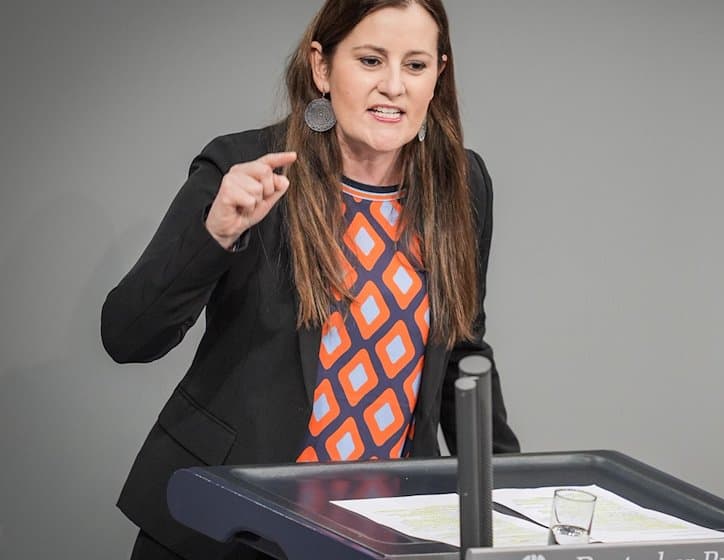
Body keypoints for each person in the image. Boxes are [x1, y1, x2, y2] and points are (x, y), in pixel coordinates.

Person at [101, 1, 520, 558]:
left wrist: (514, 493)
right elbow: (128, 338)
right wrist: (216, 234)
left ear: (438, 75)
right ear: (322, 67)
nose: (394, 86)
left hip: (377, 532)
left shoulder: (463, 185)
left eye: (416, 66)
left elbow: (464, 352)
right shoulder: (245, 166)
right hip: (226, 526)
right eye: (371, 60)